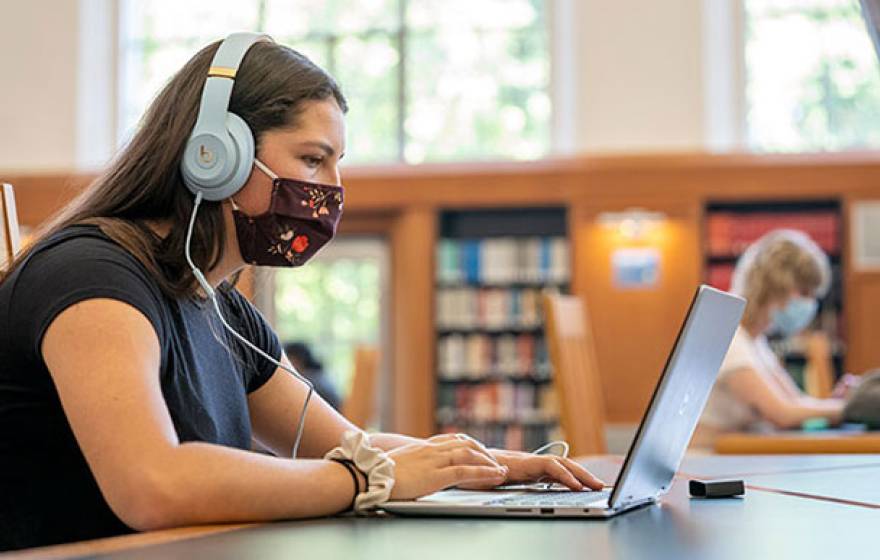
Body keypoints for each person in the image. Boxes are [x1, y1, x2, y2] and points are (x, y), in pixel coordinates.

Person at [0, 33, 603, 552]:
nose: (333, 189)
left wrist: (484, 466)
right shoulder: (92, 278)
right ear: (215, 155)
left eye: (337, 164)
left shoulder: (221, 306)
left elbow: (343, 444)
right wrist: (373, 478)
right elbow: (153, 485)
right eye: (313, 161)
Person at [693, 229, 854, 449]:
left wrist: (836, 403)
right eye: (804, 293)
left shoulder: (755, 342)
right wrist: (853, 407)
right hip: (707, 463)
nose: (810, 304)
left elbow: (795, 402)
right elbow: (782, 414)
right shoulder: (731, 342)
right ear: (774, 287)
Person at [283, 341, 342, 410]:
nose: (285, 365)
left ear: (298, 359)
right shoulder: (319, 375)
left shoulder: (310, 381)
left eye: (288, 359)